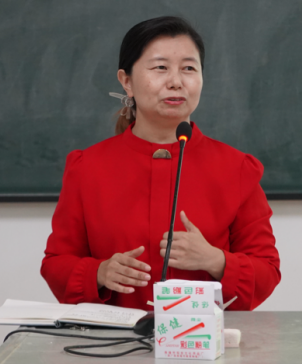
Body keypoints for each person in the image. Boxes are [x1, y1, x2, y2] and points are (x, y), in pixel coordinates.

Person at [40, 16, 280, 311]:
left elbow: (267, 272)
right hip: (115, 339)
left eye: (189, 68)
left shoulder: (236, 168)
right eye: (160, 68)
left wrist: (215, 260)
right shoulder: (88, 167)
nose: (176, 82)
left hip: (202, 338)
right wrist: (99, 272)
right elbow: (56, 264)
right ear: (126, 81)